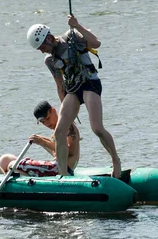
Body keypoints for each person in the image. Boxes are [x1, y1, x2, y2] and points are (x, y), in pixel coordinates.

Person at [26, 15, 121, 178]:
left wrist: (77, 26)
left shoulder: (71, 37)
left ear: (48, 38)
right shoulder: (50, 60)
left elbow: (96, 43)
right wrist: (66, 111)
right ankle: (62, 175)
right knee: (59, 131)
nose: (42, 51)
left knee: (97, 128)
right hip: (73, 91)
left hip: (89, 83)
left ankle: (116, 161)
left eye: (42, 46)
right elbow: (59, 85)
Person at [8, 101, 80, 177]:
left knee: (14, 165)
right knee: (7, 159)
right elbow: (56, 152)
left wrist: (43, 142)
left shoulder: (67, 126)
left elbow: (67, 152)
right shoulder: (58, 129)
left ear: (53, 110)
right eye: (43, 122)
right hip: (56, 167)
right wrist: (40, 140)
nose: (47, 123)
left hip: (62, 170)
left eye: (48, 118)